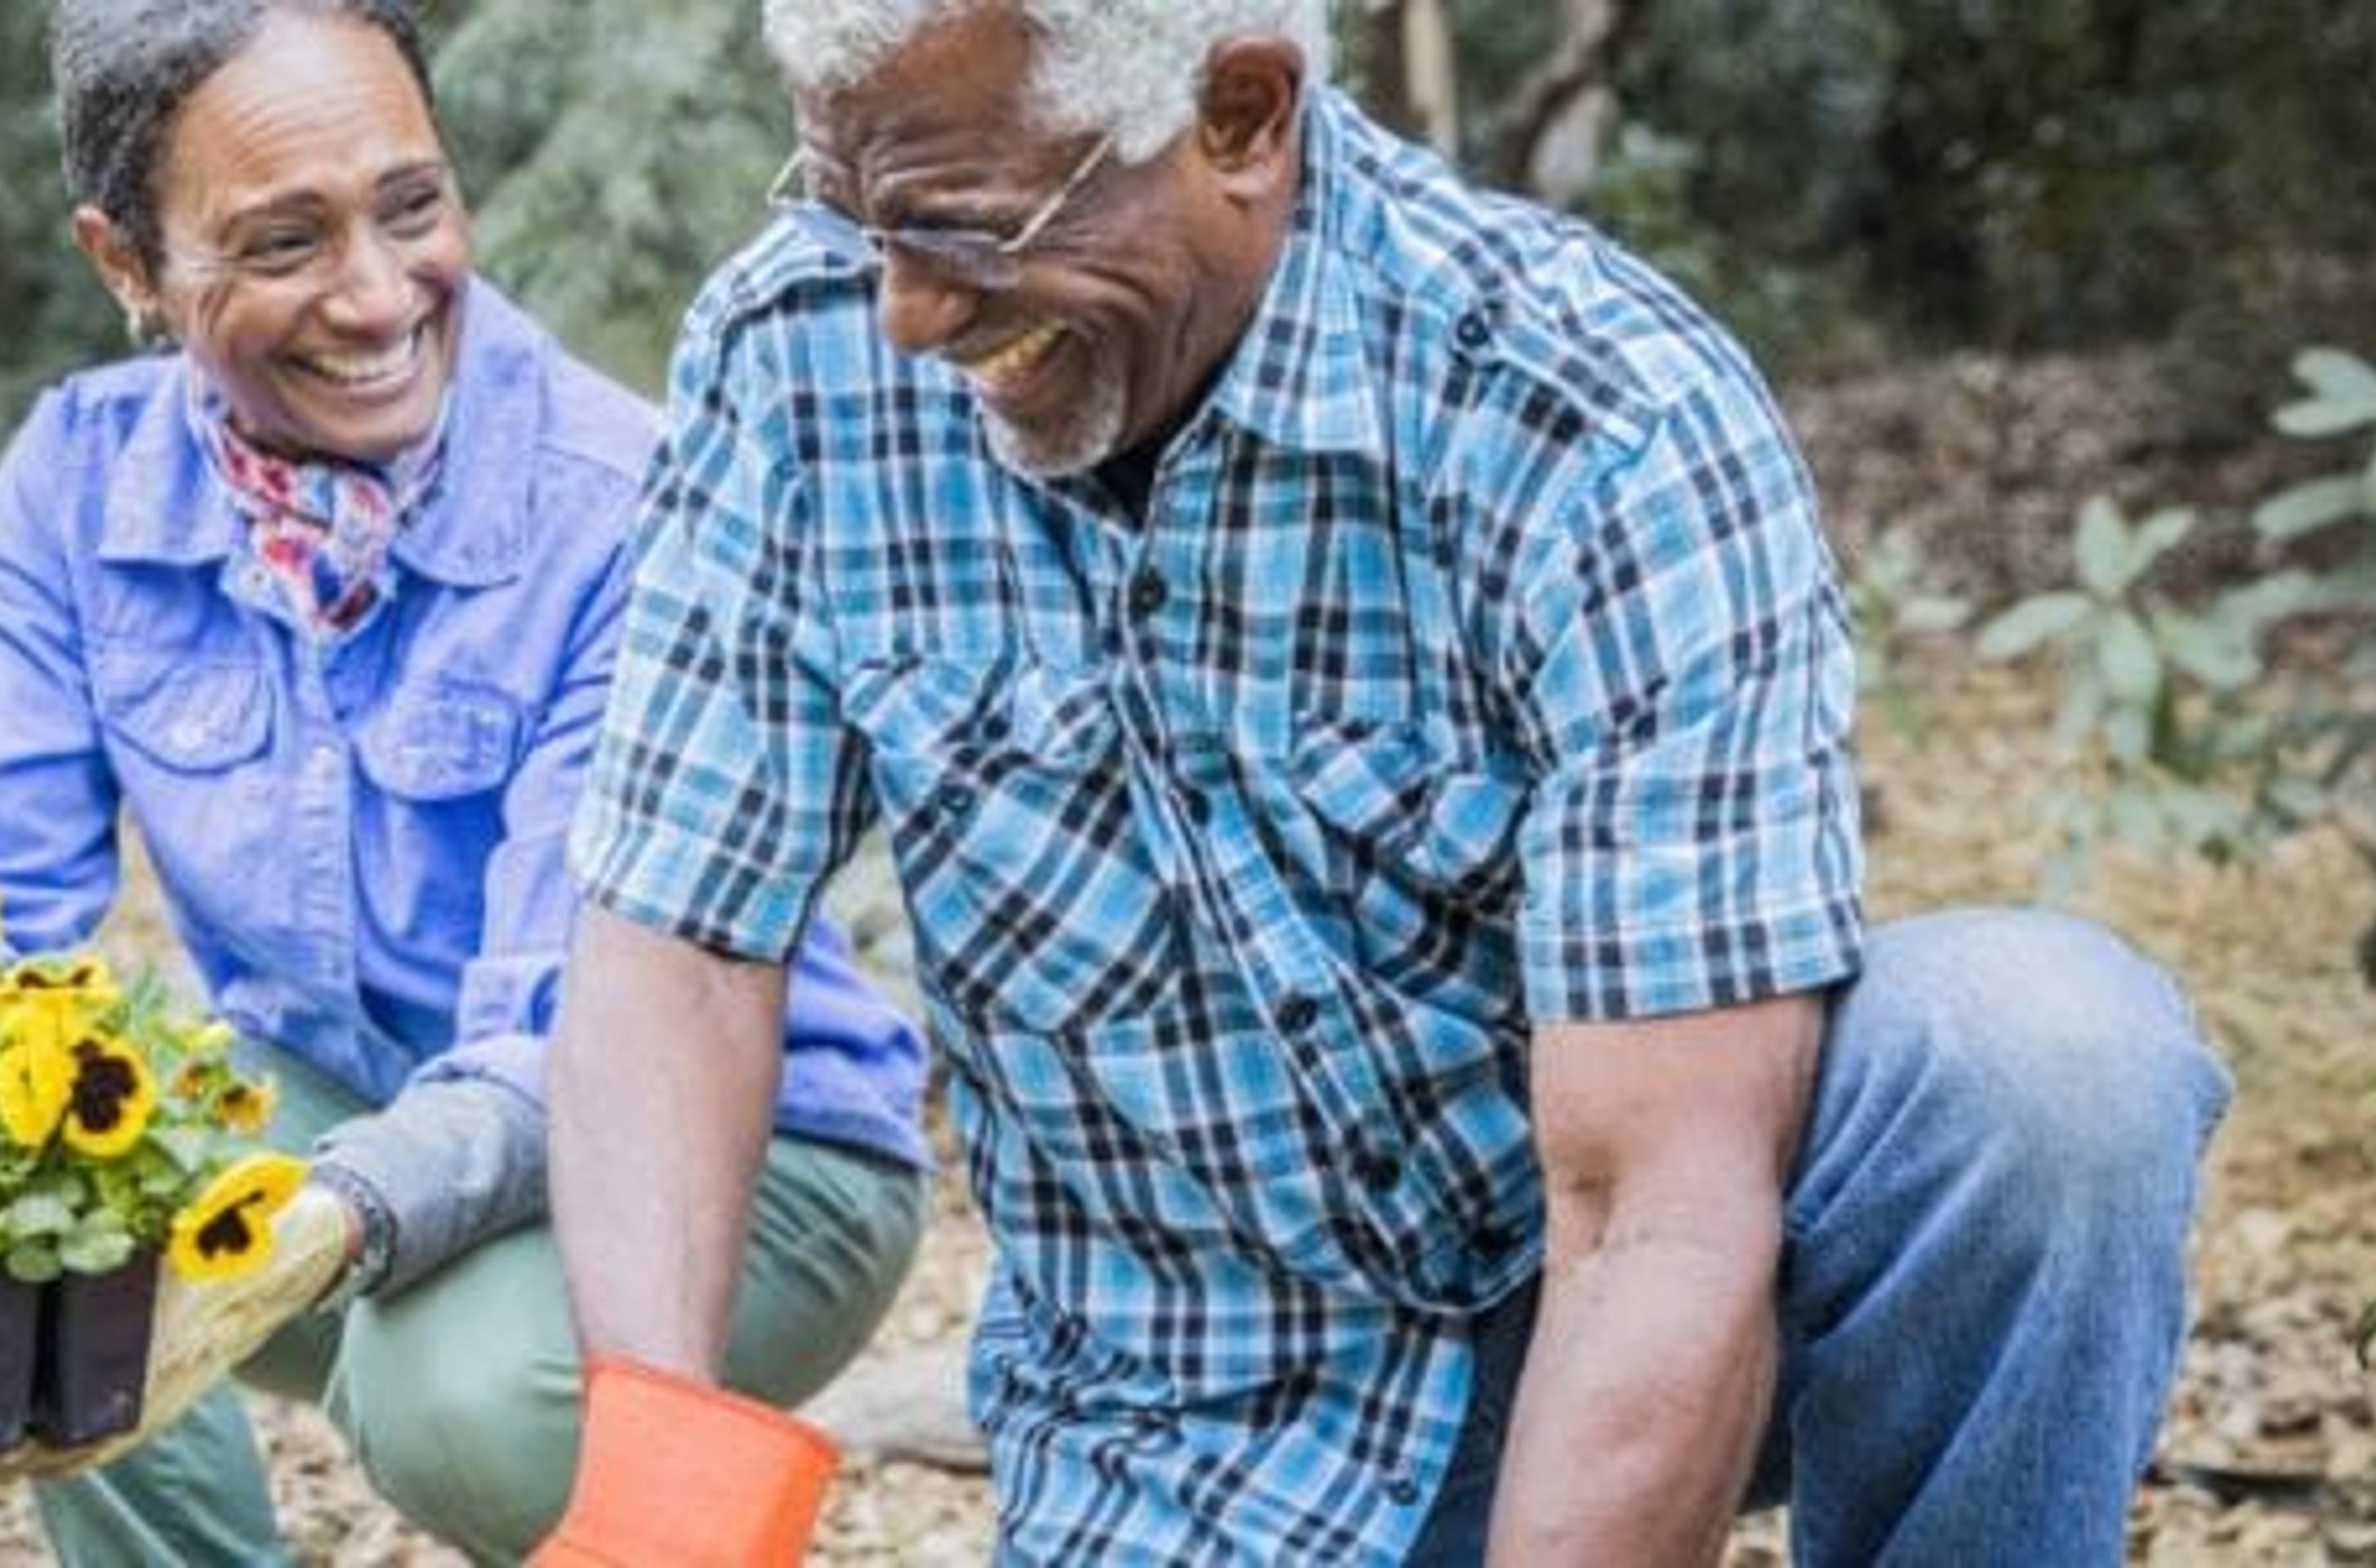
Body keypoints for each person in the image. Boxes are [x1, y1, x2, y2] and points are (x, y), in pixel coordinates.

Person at [534, 1, 2235, 1562]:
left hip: (1605, 1323)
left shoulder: (1596, 423)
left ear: (1242, 118)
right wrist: (661, 1481)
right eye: (855, 215)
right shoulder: (789, 353)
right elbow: (677, 945)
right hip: (1175, 1431)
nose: (901, 312)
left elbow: (1655, 1204)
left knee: (2046, 1066)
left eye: (961, 231)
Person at [0, 2, 931, 1562]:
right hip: (355, 1097)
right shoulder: (82, 489)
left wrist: (328, 1218)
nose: (377, 293)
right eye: (283, 243)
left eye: (411, 206)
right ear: (126, 265)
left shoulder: (623, 505)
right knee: (33, 1201)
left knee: (455, 1399)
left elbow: (575, 1033)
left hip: (745, 1155)